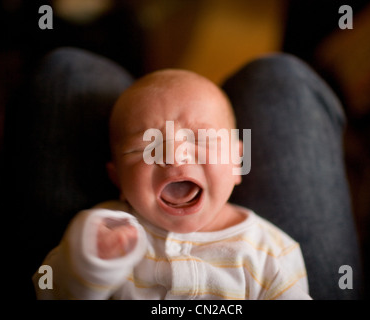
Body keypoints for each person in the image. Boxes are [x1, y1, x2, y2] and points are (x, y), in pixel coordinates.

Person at [33, 68, 312, 300]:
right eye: (145, 146)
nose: (174, 157)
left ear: (238, 161)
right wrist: (89, 268)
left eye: (200, 139)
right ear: (117, 178)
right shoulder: (106, 233)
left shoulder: (271, 251)